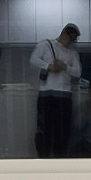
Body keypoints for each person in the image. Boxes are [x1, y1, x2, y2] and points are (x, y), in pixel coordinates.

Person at [31, 23, 81, 158]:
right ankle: (44, 157)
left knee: (63, 131)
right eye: (70, 38)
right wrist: (48, 66)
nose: (70, 41)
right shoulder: (46, 44)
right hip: (46, 95)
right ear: (63, 33)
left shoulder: (72, 52)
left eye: (73, 40)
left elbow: (78, 72)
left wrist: (65, 67)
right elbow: (33, 59)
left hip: (64, 95)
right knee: (44, 129)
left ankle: (61, 158)